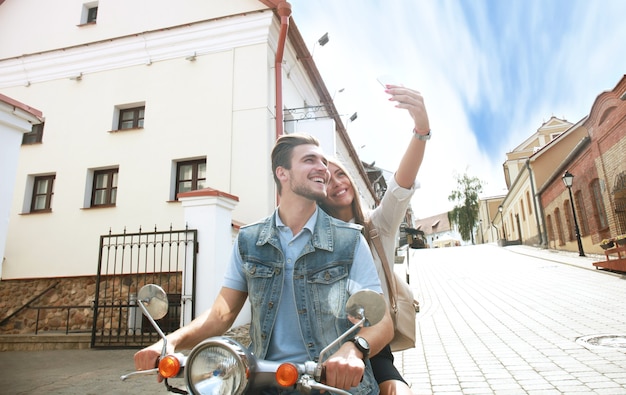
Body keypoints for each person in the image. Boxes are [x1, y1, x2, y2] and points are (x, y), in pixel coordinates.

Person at [134, 133, 394, 394]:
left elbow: (381, 322)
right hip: (264, 384)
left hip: (333, 386)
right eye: (309, 160)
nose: (323, 169)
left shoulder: (349, 241)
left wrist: (353, 349)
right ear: (283, 173)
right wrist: (169, 343)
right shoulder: (249, 240)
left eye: (323, 162)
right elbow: (221, 314)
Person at [319, 85, 430, 395]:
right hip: (321, 345)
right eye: (326, 180)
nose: (336, 183)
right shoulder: (315, 237)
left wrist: (421, 130)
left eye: (340, 174)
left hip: (372, 343)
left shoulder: (376, 226)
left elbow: (400, 184)